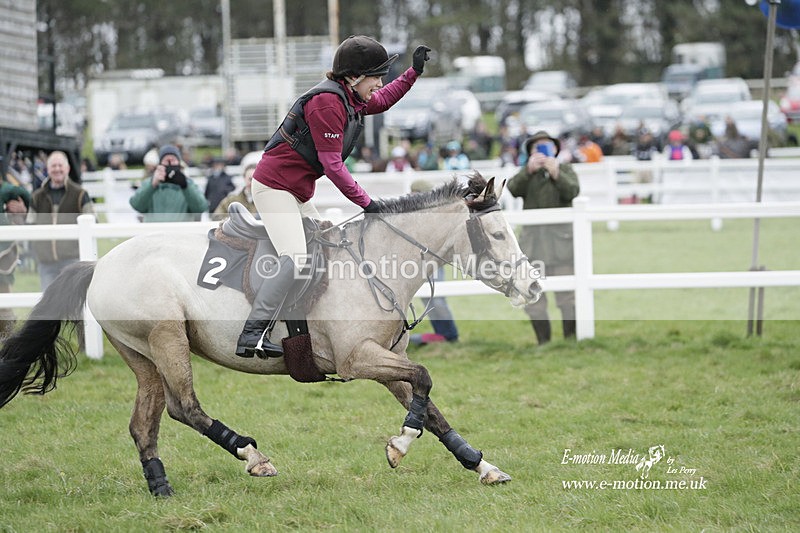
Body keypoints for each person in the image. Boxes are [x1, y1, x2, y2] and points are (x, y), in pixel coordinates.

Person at [237, 35, 432, 358]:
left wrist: (412, 73)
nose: (380, 82)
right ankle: (252, 333)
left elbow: (381, 100)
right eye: (376, 76)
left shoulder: (349, 98)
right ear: (354, 77)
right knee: (295, 259)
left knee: (327, 251)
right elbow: (332, 165)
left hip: (296, 191)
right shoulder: (327, 103)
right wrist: (367, 203)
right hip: (274, 188)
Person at [507, 131, 580, 345]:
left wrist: (556, 173)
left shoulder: (564, 169)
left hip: (561, 246)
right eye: (537, 148)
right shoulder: (527, 175)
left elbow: (573, 191)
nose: (542, 152)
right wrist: (528, 170)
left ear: (556, 150)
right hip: (534, 246)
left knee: (568, 296)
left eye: (546, 147)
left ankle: (571, 340)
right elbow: (512, 188)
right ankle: (544, 342)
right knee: (533, 299)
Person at [28, 151, 95, 291]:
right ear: (48, 169)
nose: (57, 169)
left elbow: (93, 222)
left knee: (72, 305)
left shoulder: (80, 194)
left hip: (72, 261)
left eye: (60, 165)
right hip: (46, 262)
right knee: (49, 306)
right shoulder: (36, 197)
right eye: (53, 166)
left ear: (67, 168)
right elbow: (30, 224)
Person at [407, 179, 459, 346]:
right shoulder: (413, 213)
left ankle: (449, 334)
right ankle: (442, 333)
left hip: (433, 260)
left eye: (415, 194)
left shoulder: (436, 214)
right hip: (417, 261)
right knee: (425, 298)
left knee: (435, 297)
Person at [129, 144, 208, 222]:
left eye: (173, 160)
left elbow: (200, 208)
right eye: (166, 160)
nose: (169, 163)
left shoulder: (188, 184)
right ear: (160, 164)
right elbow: (136, 205)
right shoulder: (150, 183)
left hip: (181, 232)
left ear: (179, 163)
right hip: (154, 233)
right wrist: (152, 184)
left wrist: (185, 186)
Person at [0, 178, 31, 339]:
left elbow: (24, 210)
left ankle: (8, 339)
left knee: (4, 297)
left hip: (3, 253)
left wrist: (20, 210)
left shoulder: (8, 192)